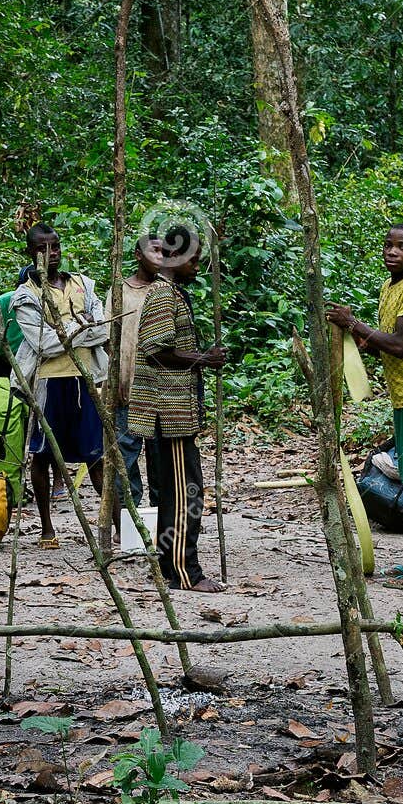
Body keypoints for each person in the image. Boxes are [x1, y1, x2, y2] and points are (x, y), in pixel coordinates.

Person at [327, 223, 403, 590]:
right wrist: (359, 336)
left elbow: (399, 344)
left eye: (402, 247)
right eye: (388, 245)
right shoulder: (390, 286)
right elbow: (385, 341)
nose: (392, 252)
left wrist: (355, 323)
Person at [130, 233, 226, 593]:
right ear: (172, 256)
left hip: (178, 412)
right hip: (167, 413)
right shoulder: (162, 294)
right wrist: (204, 359)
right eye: (193, 260)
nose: (196, 268)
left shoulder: (171, 293)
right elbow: (155, 350)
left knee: (180, 491)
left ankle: (173, 567)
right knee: (187, 493)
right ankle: (185, 572)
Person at [11, 223, 110, 548]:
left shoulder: (84, 285)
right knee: (42, 455)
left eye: (55, 246)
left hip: (85, 379)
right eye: (43, 248)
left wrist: (68, 329)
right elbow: (44, 345)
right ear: (31, 253)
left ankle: (115, 528)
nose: (51, 254)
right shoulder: (26, 295)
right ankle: (46, 529)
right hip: (47, 382)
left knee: (96, 454)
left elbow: (103, 330)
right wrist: (79, 325)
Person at [107, 234, 166, 506]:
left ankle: (161, 516)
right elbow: (111, 339)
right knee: (126, 456)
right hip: (127, 386)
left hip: (161, 390)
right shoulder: (121, 291)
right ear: (138, 255)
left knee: (160, 459)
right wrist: (117, 376)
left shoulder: (167, 290)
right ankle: (130, 517)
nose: (161, 257)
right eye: (155, 251)